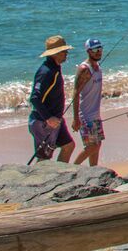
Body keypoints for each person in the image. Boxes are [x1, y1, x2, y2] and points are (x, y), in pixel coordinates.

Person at [28, 35, 76, 162]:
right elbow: (34, 98)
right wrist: (48, 118)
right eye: (65, 51)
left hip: (57, 120)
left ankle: (58, 176)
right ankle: (42, 181)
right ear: (56, 53)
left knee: (69, 146)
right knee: (44, 159)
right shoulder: (46, 72)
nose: (67, 54)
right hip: (44, 122)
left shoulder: (55, 69)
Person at [71, 38, 106, 166]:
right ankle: (72, 168)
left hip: (95, 114)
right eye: (95, 50)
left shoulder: (97, 68)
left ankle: (94, 172)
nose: (98, 52)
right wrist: (76, 118)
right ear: (88, 51)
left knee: (97, 145)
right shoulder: (85, 69)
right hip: (86, 115)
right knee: (93, 146)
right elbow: (75, 93)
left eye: (100, 49)